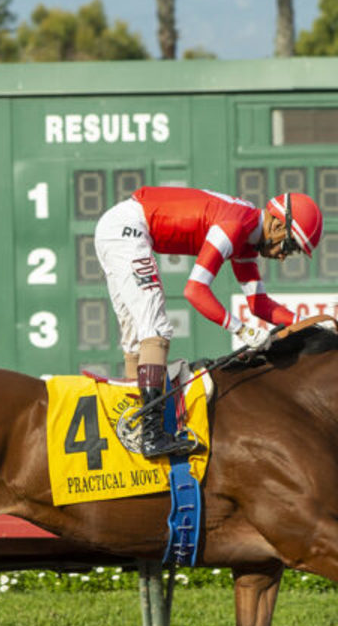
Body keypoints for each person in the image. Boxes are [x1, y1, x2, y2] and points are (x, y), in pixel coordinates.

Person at [93, 186, 324, 458]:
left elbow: (259, 304)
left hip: (118, 227)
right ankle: (152, 434)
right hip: (128, 229)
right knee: (155, 328)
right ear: (276, 222)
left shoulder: (247, 235)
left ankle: (135, 428)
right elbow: (195, 291)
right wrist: (242, 330)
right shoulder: (234, 225)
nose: (284, 255)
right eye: (290, 245)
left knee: (137, 335)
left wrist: (310, 323)